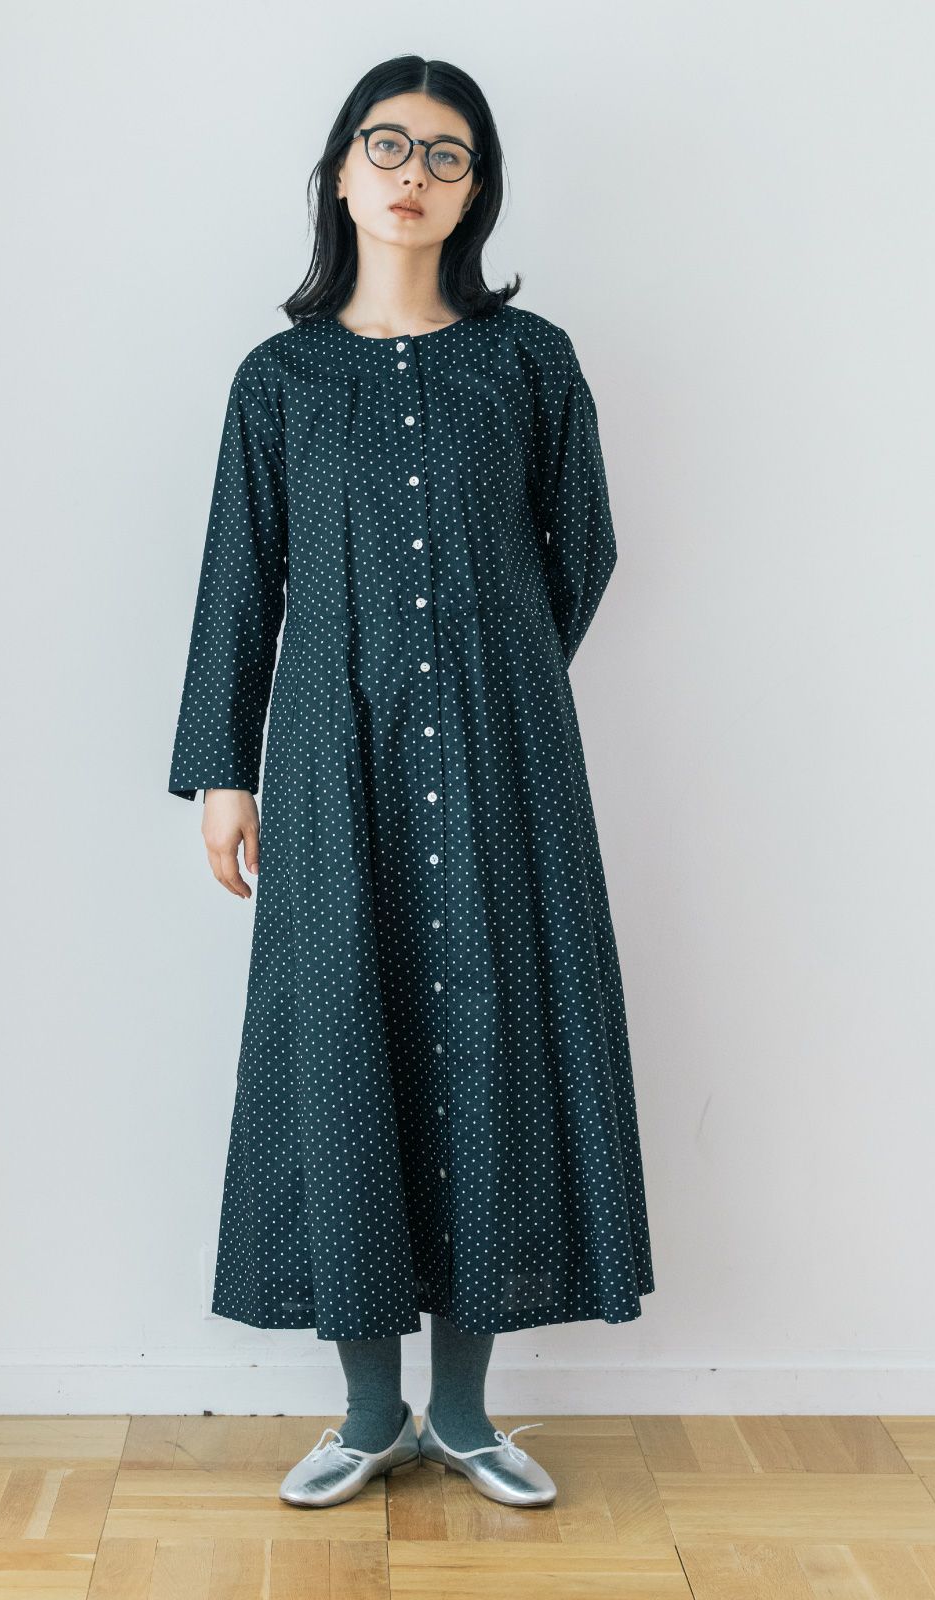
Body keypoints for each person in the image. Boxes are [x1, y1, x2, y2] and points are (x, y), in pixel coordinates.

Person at [168, 54, 655, 1510]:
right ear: (338, 171)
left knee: (493, 1039)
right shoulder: (280, 380)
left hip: (508, 760)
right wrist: (223, 774)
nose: (412, 174)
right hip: (332, 760)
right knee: (341, 1040)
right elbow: (240, 581)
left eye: (446, 154)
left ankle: (464, 1412)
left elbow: (583, 546)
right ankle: (368, 1409)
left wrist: (494, 669)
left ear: (475, 188)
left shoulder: (529, 362)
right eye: (387, 145)